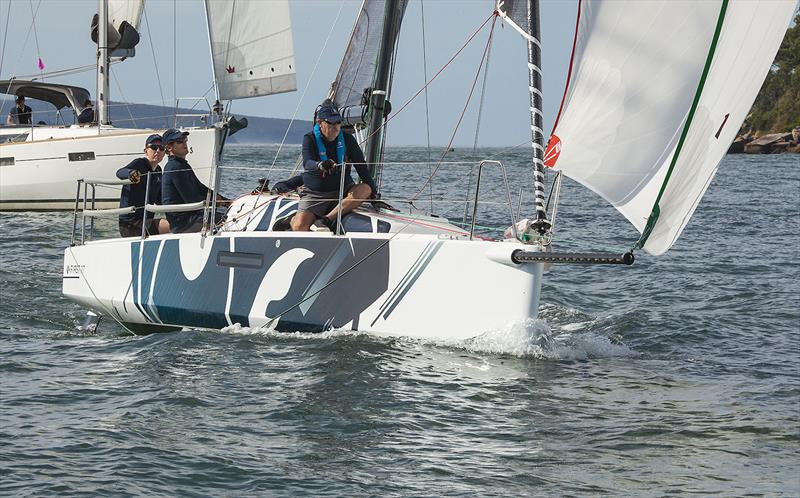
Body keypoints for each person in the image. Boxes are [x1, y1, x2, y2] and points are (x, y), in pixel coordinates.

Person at [291, 100, 377, 232]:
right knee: (299, 227)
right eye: (331, 123)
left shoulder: (348, 139)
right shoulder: (309, 138)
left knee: (365, 189)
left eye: (338, 122)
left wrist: (374, 192)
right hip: (316, 193)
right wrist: (320, 165)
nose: (336, 127)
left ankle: (325, 220)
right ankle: (291, 220)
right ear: (320, 123)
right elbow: (307, 163)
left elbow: (362, 168)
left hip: (343, 189)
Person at [161, 128, 229, 233]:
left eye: (185, 140)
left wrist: (225, 200)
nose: (184, 143)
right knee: (230, 220)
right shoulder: (174, 167)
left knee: (228, 214)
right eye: (180, 142)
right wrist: (217, 202)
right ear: (169, 148)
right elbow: (191, 198)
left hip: (192, 217)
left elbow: (200, 188)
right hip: (183, 223)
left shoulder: (181, 164)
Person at [116, 134, 170, 237]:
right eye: (154, 147)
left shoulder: (158, 171)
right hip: (131, 225)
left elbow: (160, 200)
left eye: (161, 148)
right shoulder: (139, 163)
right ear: (146, 151)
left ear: (164, 153)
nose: (157, 150)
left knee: (179, 222)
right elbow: (120, 172)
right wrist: (131, 174)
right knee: (174, 225)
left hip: (147, 221)